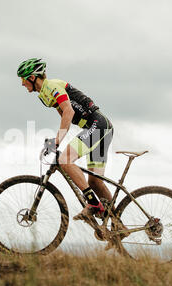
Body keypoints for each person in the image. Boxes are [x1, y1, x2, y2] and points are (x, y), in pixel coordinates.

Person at [17, 58, 115, 225]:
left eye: (23, 79)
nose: (22, 84)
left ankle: (93, 204)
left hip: (98, 125)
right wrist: (57, 142)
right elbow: (63, 114)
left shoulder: (51, 87)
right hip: (100, 128)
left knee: (65, 159)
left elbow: (68, 111)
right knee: (95, 182)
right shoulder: (44, 96)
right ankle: (118, 226)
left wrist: (57, 140)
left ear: (32, 78)